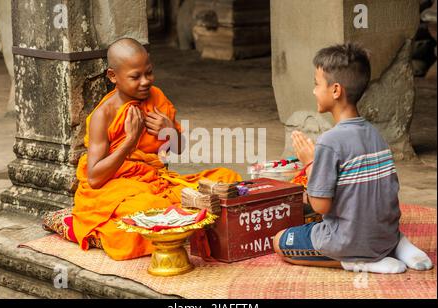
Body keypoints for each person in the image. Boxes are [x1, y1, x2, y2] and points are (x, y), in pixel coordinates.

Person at [68, 38, 241, 261]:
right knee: (153, 208)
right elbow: (95, 178)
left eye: (148, 73)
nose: (145, 81)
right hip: (115, 188)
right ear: (113, 76)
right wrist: (130, 141)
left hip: (157, 180)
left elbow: (178, 149)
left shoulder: (156, 97)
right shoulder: (104, 115)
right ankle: (179, 223)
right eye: (135, 77)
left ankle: (180, 221)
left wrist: (170, 131)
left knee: (226, 180)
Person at [273, 43, 433, 274]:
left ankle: (359, 261)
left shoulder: (330, 141)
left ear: (336, 90)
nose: (314, 91)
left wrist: (310, 163)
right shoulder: (375, 134)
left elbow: (320, 205)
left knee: (280, 241)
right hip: (385, 233)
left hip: (347, 241)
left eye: (317, 84)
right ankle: (398, 244)